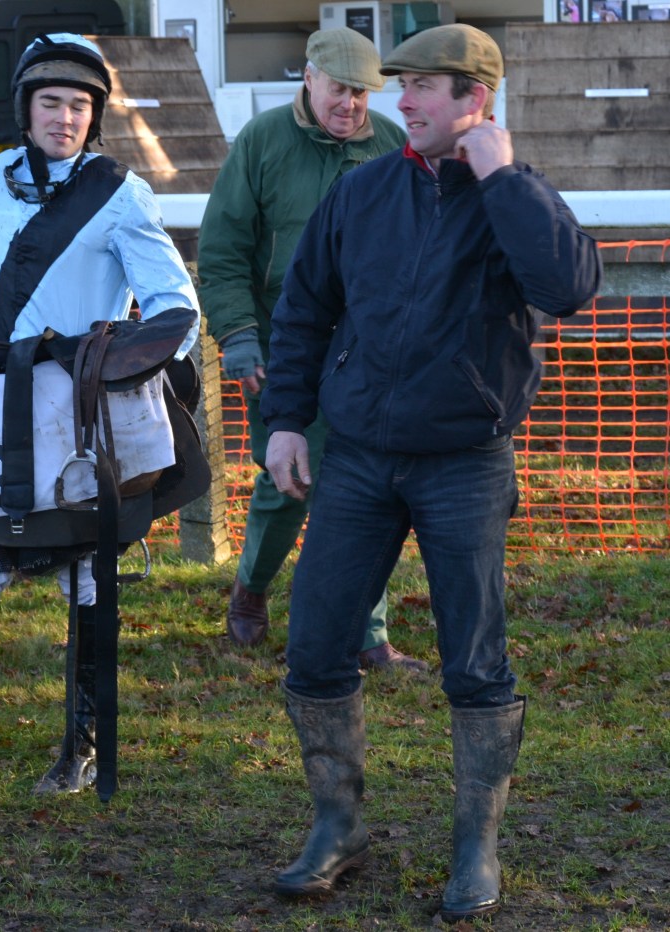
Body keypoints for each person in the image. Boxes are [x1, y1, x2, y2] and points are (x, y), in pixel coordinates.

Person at [260, 25, 601, 920]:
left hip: (465, 463)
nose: (398, 101)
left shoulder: (513, 197)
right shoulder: (363, 191)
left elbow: (567, 287)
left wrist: (502, 177)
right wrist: (287, 420)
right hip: (360, 459)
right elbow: (304, 312)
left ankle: (475, 848)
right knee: (315, 643)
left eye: (421, 88)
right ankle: (339, 827)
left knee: (475, 663)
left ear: (474, 101)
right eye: (397, 86)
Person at [0, 33, 199, 796]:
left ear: (93, 117)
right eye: (51, 102)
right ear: (26, 108)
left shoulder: (121, 192)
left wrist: (121, 361)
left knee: (87, 575)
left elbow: (175, 308)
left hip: (78, 406)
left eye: (78, 106)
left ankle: (82, 744)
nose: (64, 117)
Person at [198, 28, 425, 671]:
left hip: (365, 349)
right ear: (308, 77)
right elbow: (222, 253)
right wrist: (239, 338)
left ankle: (368, 634)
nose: (350, 104)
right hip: (280, 343)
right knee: (287, 481)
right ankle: (252, 587)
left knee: (366, 489)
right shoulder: (262, 142)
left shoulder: (391, 144)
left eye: (360, 93)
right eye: (339, 89)